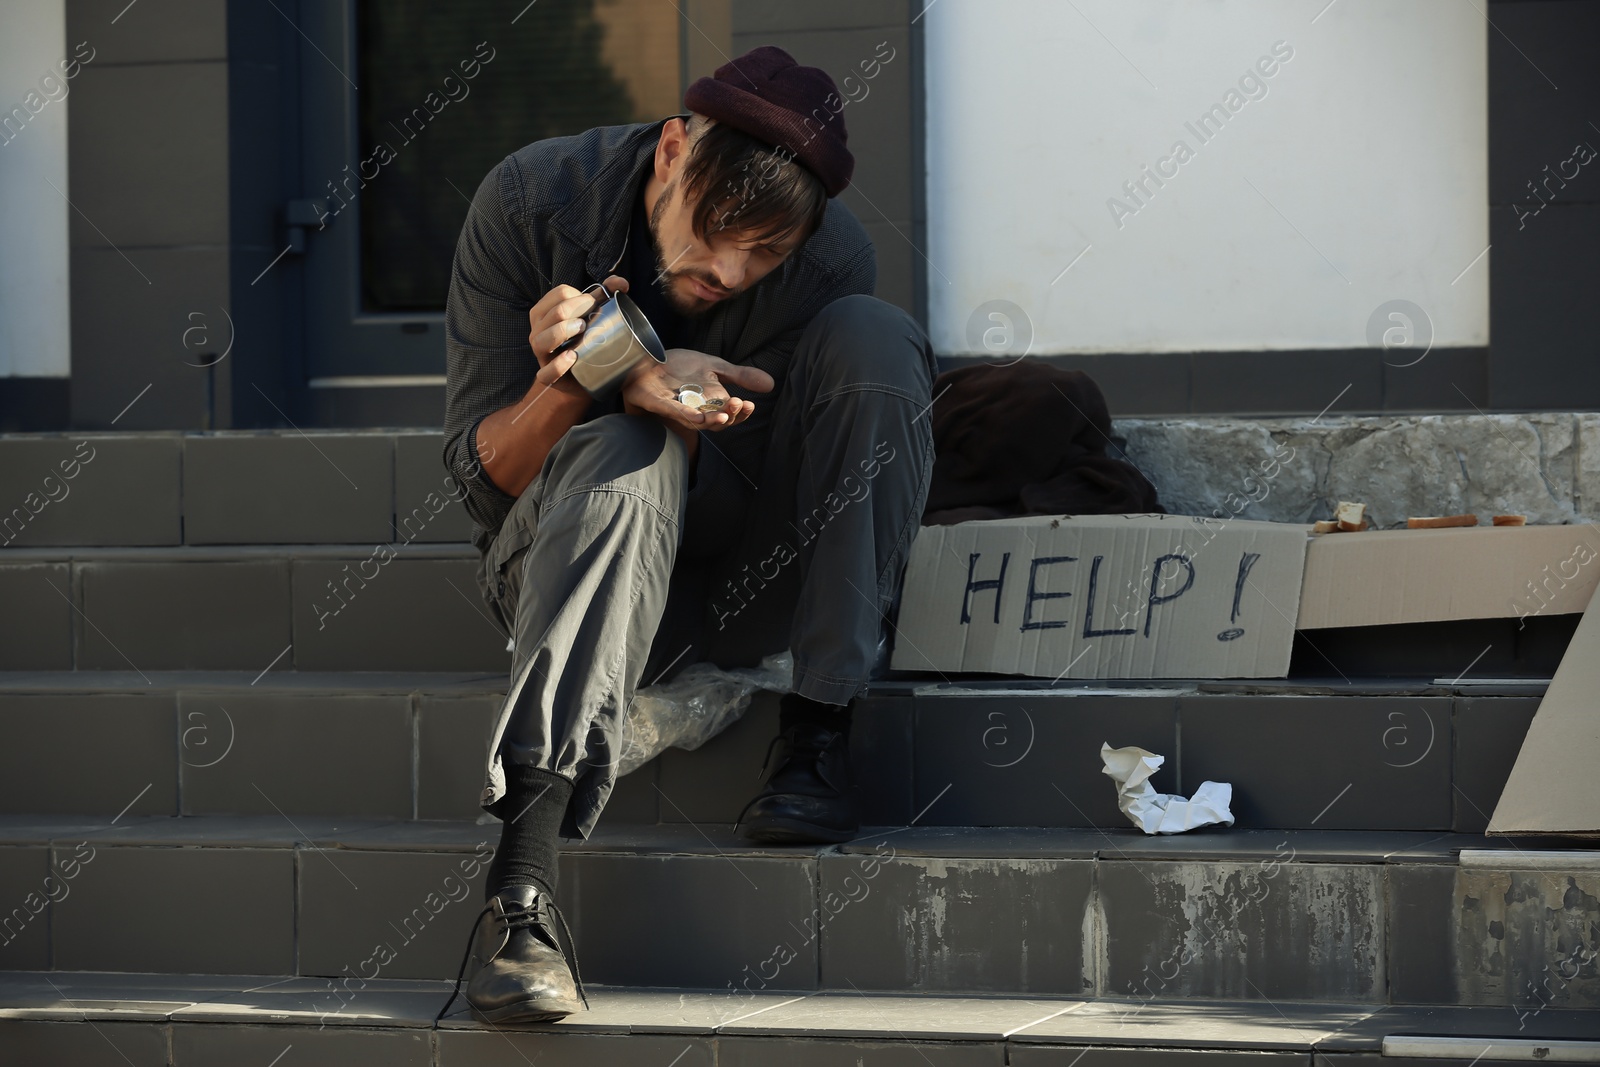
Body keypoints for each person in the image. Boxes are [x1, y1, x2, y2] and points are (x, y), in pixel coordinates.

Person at [440, 45, 935, 1025]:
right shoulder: (529, 203)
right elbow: (482, 486)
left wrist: (696, 405)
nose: (731, 271)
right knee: (628, 441)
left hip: (748, 571)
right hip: (580, 552)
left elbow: (815, 464)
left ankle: (817, 727)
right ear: (671, 152)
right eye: (718, 234)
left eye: (765, 255)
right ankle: (522, 894)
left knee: (879, 338)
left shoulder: (831, 261)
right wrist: (587, 380)